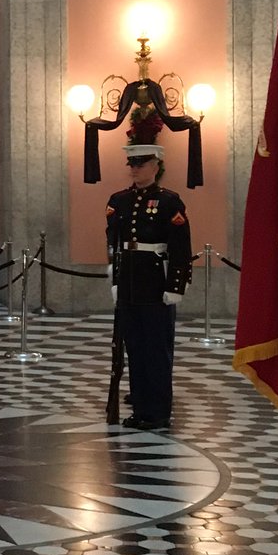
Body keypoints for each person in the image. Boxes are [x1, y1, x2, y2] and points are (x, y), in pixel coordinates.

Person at [105, 141, 192, 431]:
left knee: (156, 350)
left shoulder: (169, 201)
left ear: (156, 166)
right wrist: (115, 279)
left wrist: (176, 285)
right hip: (129, 282)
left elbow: (180, 246)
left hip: (155, 284)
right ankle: (141, 408)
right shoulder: (119, 200)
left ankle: (158, 412)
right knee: (135, 350)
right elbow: (114, 245)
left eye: (141, 164)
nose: (135, 169)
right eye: (132, 164)